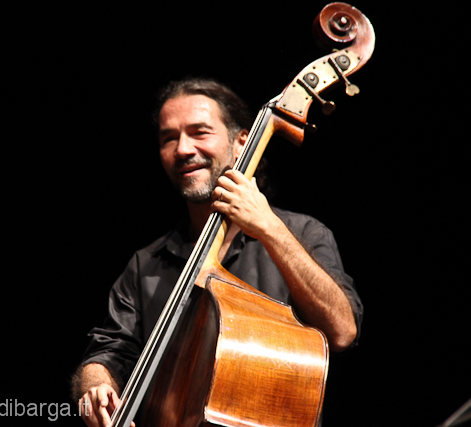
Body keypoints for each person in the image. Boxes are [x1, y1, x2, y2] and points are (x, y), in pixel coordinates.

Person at [71, 77, 362, 427]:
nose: (183, 149)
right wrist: (96, 385)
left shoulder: (303, 234)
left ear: (242, 143)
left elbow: (342, 331)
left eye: (200, 132)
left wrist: (269, 228)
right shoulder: (144, 264)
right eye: (169, 138)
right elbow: (107, 351)